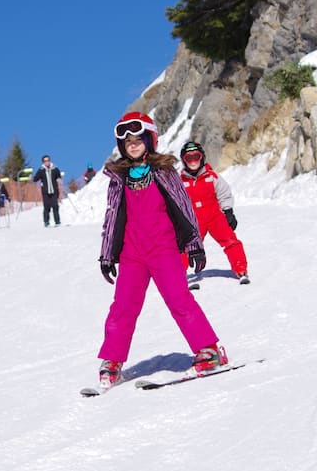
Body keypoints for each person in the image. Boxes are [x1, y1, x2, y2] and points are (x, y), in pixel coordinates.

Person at [95, 111, 228, 391]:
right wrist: (107, 255)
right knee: (123, 307)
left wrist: (194, 244)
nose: (132, 145)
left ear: (149, 140)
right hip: (132, 254)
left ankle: (208, 349)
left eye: (137, 139)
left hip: (163, 248)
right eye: (127, 142)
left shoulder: (164, 172)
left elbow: (184, 207)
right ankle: (112, 362)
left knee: (179, 299)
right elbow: (111, 218)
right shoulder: (118, 179)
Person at [178, 140, 250, 284]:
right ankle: (178, 276)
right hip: (194, 221)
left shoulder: (211, 176)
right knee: (185, 246)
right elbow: (176, 201)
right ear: (184, 160)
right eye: (188, 158)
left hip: (215, 217)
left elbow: (224, 193)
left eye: (196, 157)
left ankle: (240, 269)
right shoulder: (180, 181)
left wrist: (228, 211)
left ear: (202, 157)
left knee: (230, 241)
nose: (193, 161)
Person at [29, 154, 64, 227]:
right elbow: (36, 179)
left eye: (48, 160)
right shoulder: (41, 170)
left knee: (55, 206)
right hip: (45, 191)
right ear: (43, 162)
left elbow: (58, 176)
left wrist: (59, 179)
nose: (47, 162)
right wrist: (31, 178)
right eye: (45, 161)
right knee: (47, 207)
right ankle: (46, 222)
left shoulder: (55, 168)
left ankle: (57, 222)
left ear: (50, 161)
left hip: (54, 190)